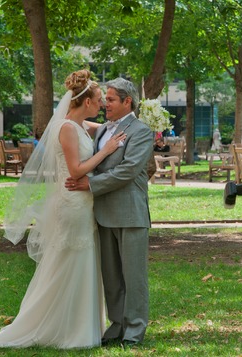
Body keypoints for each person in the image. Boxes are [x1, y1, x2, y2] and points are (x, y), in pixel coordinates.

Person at [0, 70, 126, 348]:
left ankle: (80, 327)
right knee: (71, 262)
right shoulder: (65, 129)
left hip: (83, 203)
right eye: (99, 99)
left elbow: (103, 129)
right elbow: (75, 171)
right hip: (73, 202)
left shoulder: (80, 125)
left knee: (83, 262)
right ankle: (64, 330)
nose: (101, 104)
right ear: (86, 101)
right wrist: (105, 151)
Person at [65, 77, 153, 347]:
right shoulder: (103, 129)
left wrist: (90, 184)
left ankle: (134, 330)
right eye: (106, 99)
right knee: (112, 276)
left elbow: (128, 170)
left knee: (133, 276)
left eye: (112, 100)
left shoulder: (141, 131)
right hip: (102, 213)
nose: (106, 105)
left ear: (128, 102)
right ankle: (116, 325)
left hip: (130, 213)